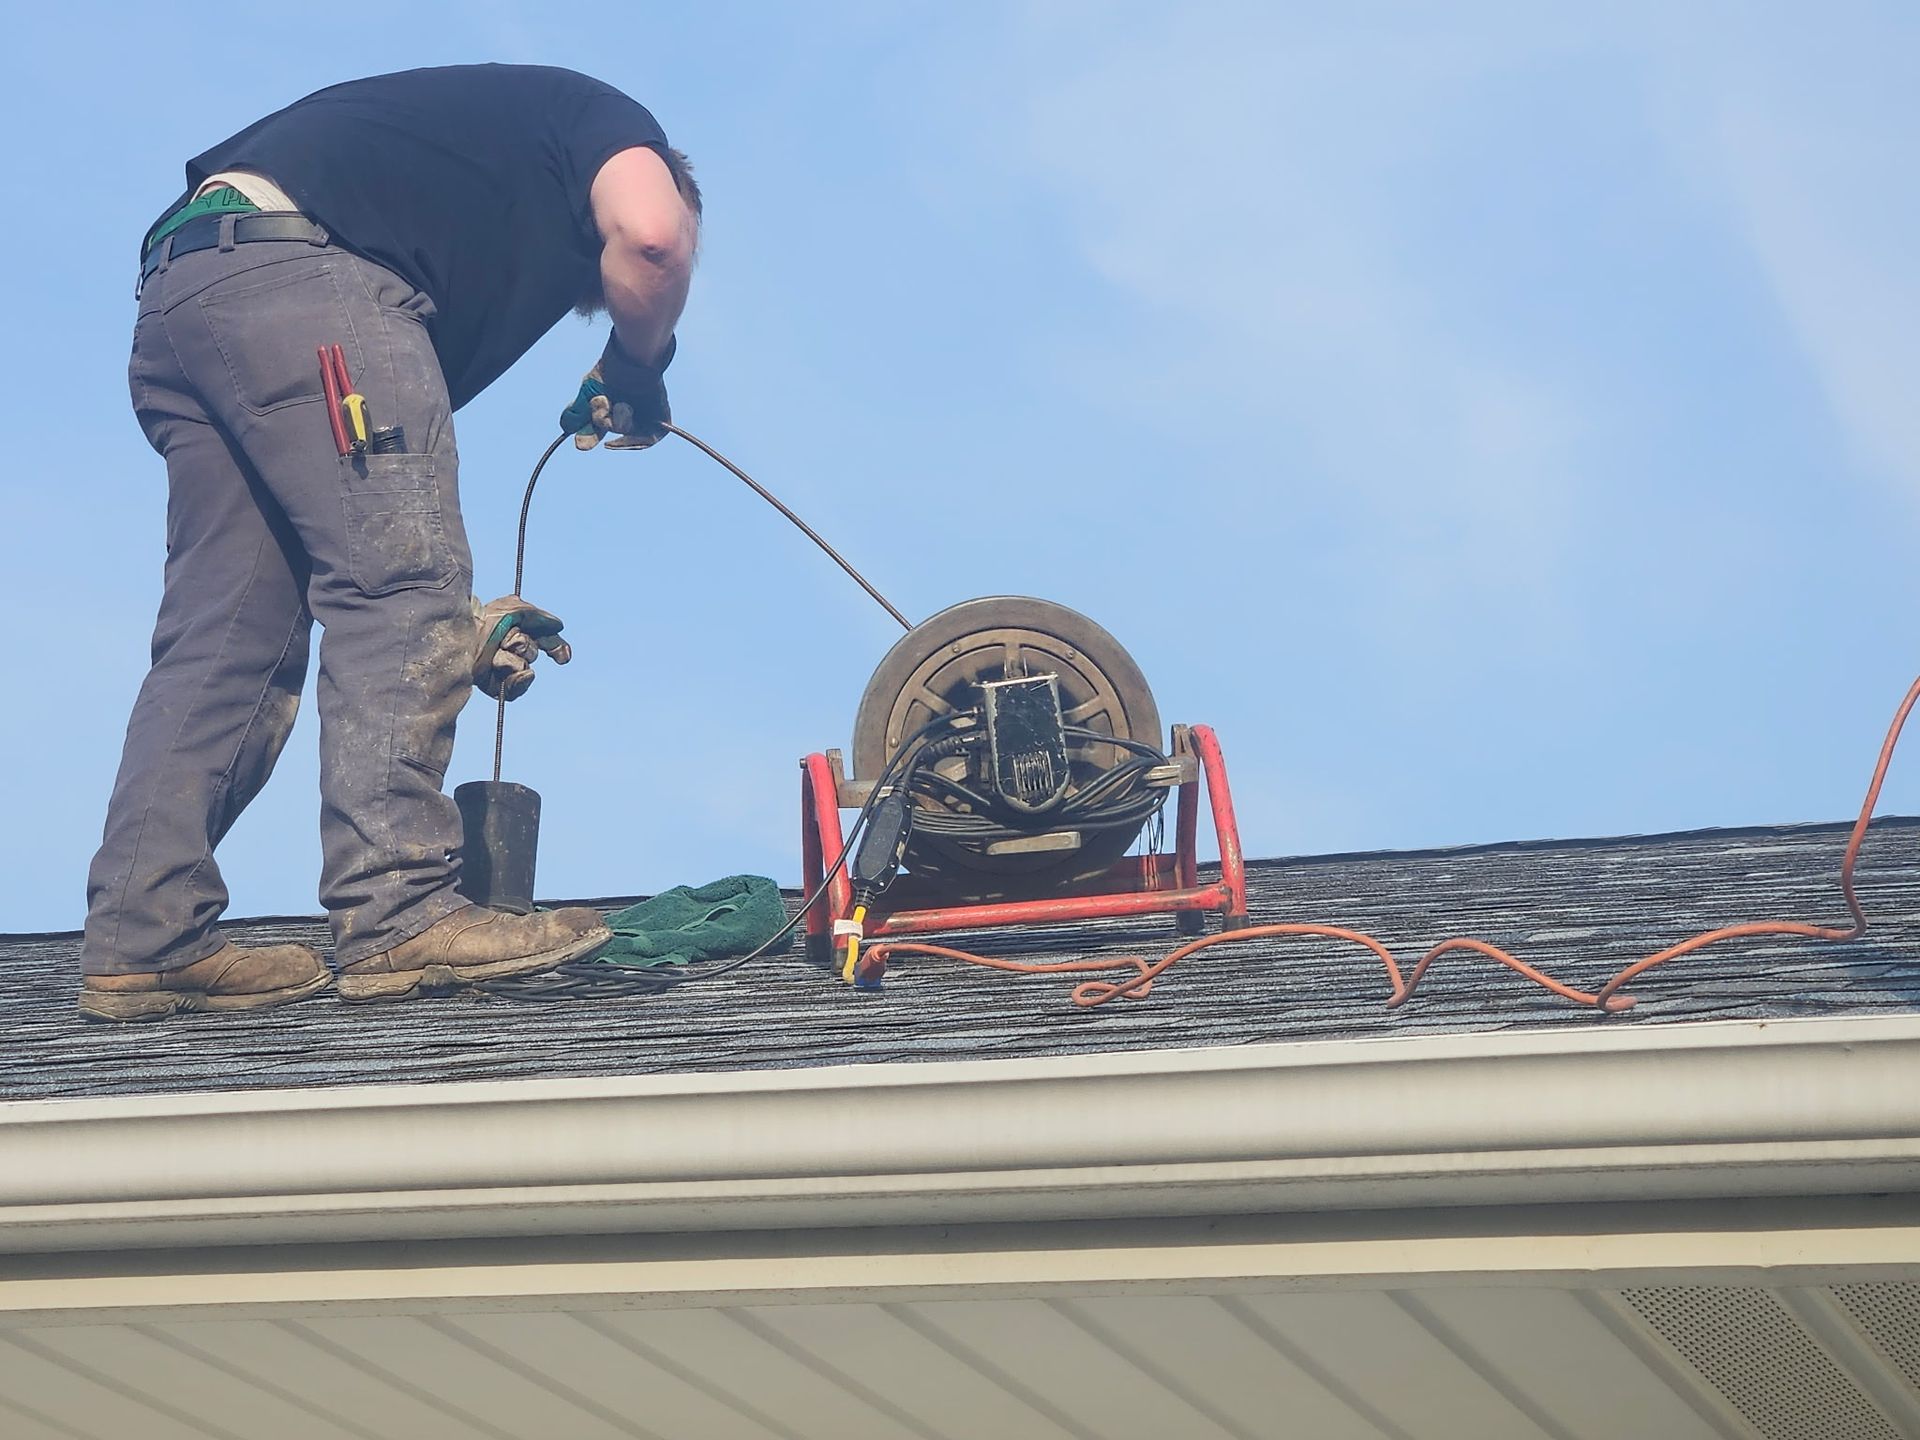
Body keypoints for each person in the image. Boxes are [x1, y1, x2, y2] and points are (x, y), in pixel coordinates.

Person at [80, 64, 700, 1022]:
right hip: (305, 281)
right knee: (403, 585)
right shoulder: (609, 124)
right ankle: (399, 907)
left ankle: (144, 935)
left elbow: (351, 516)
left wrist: (461, 631)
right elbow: (655, 237)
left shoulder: (455, 178)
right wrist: (638, 361)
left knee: (230, 634)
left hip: (184, 291)